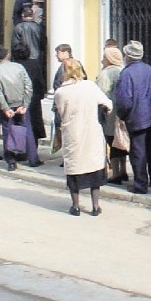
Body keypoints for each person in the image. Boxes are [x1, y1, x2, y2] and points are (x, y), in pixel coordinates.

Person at [54, 58, 112, 216]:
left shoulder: (60, 92)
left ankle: (76, 206)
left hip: (73, 132)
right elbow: (108, 104)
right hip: (92, 131)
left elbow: (61, 112)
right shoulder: (90, 86)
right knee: (94, 167)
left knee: (74, 168)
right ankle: (95, 206)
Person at [114, 40, 151, 195]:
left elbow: (124, 100)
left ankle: (141, 185)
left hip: (137, 117)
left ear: (128, 55)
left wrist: (122, 115)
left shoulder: (127, 73)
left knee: (138, 151)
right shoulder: (150, 70)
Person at [0, 46, 39, 171]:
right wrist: (25, 105)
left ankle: (11, 161)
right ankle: (33, 159)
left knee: (8, 132)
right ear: (7, 55)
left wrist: (5, 108)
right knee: (27, 130)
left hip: (7, 104)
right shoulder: (18, 67)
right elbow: (28, 86)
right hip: (20, 103)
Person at [95, 45, 128, 185]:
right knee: (120, 142)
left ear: (109, 59)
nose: (102, 61)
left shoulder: (106, 73)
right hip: (121, 113)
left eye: (104, 58)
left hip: (109, 113)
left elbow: (100, 94)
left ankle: (115, 173)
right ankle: (124, 170)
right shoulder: (123, 70)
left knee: (112, 141)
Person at [12, 40, 46, 151]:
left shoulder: (14, 66)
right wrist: (40, 95)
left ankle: (19, 149)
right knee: (33, 125)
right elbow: (40, 81)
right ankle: (33, 150)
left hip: (18, 99)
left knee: (19, 125)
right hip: (33, 98)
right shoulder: (34, 64)